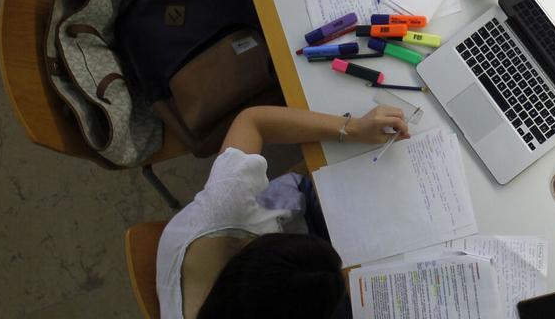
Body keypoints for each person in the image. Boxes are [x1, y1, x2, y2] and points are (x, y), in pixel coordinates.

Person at [157, 104, 412, 319]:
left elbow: (252, 121)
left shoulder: (227, 202)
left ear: (254, 245)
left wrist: (352, 128)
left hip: (292, 220)